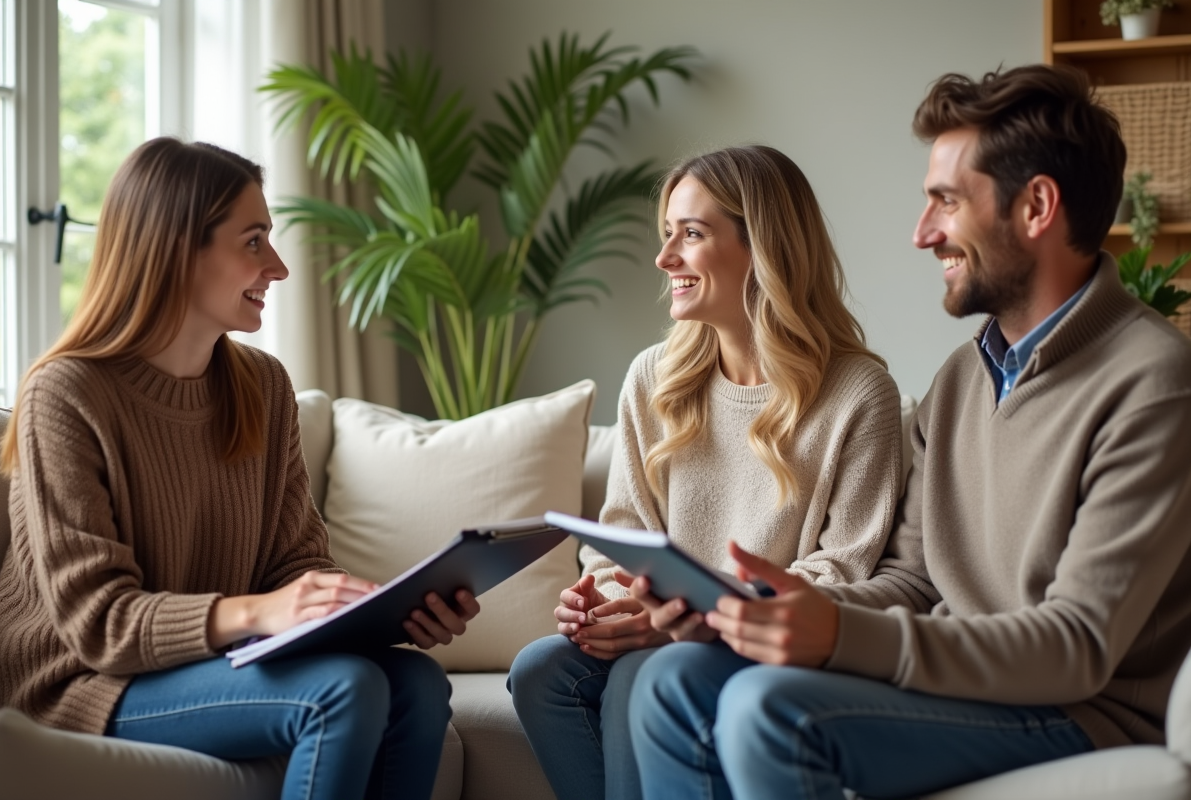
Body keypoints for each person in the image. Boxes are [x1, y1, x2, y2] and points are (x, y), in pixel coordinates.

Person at [628, 64, 1191, 800]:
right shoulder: (963, 379)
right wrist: (777, 611)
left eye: (946, 203)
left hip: (1075, 710)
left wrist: (842, 638)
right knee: (674, 678)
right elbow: (914, 579)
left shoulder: (1154, 382)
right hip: (958, 687)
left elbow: (1077, 647)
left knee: (770, 712)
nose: (922, 233)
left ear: (1037, 207)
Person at [0, 138, 482, 800]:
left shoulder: (261, 386)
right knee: (341, 691)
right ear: (173, 250)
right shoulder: (66, 392)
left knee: (416, 684)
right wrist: (260, 612)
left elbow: (293, 565)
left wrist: (376, 613)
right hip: (82, 680)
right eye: (254, 242)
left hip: (203, 662)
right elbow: (97, 622)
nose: (277, 267)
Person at [507, 145, 905, 800]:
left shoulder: (860, 393)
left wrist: (695, 609)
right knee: (542, 669)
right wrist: (605, 603)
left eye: (690, 235)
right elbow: (618, 541)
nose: (665, 261)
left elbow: (843, 570)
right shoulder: (652, 378)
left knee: (644, 672)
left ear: (763, 249)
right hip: (666, 629)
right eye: (667, 236)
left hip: (764, 635)